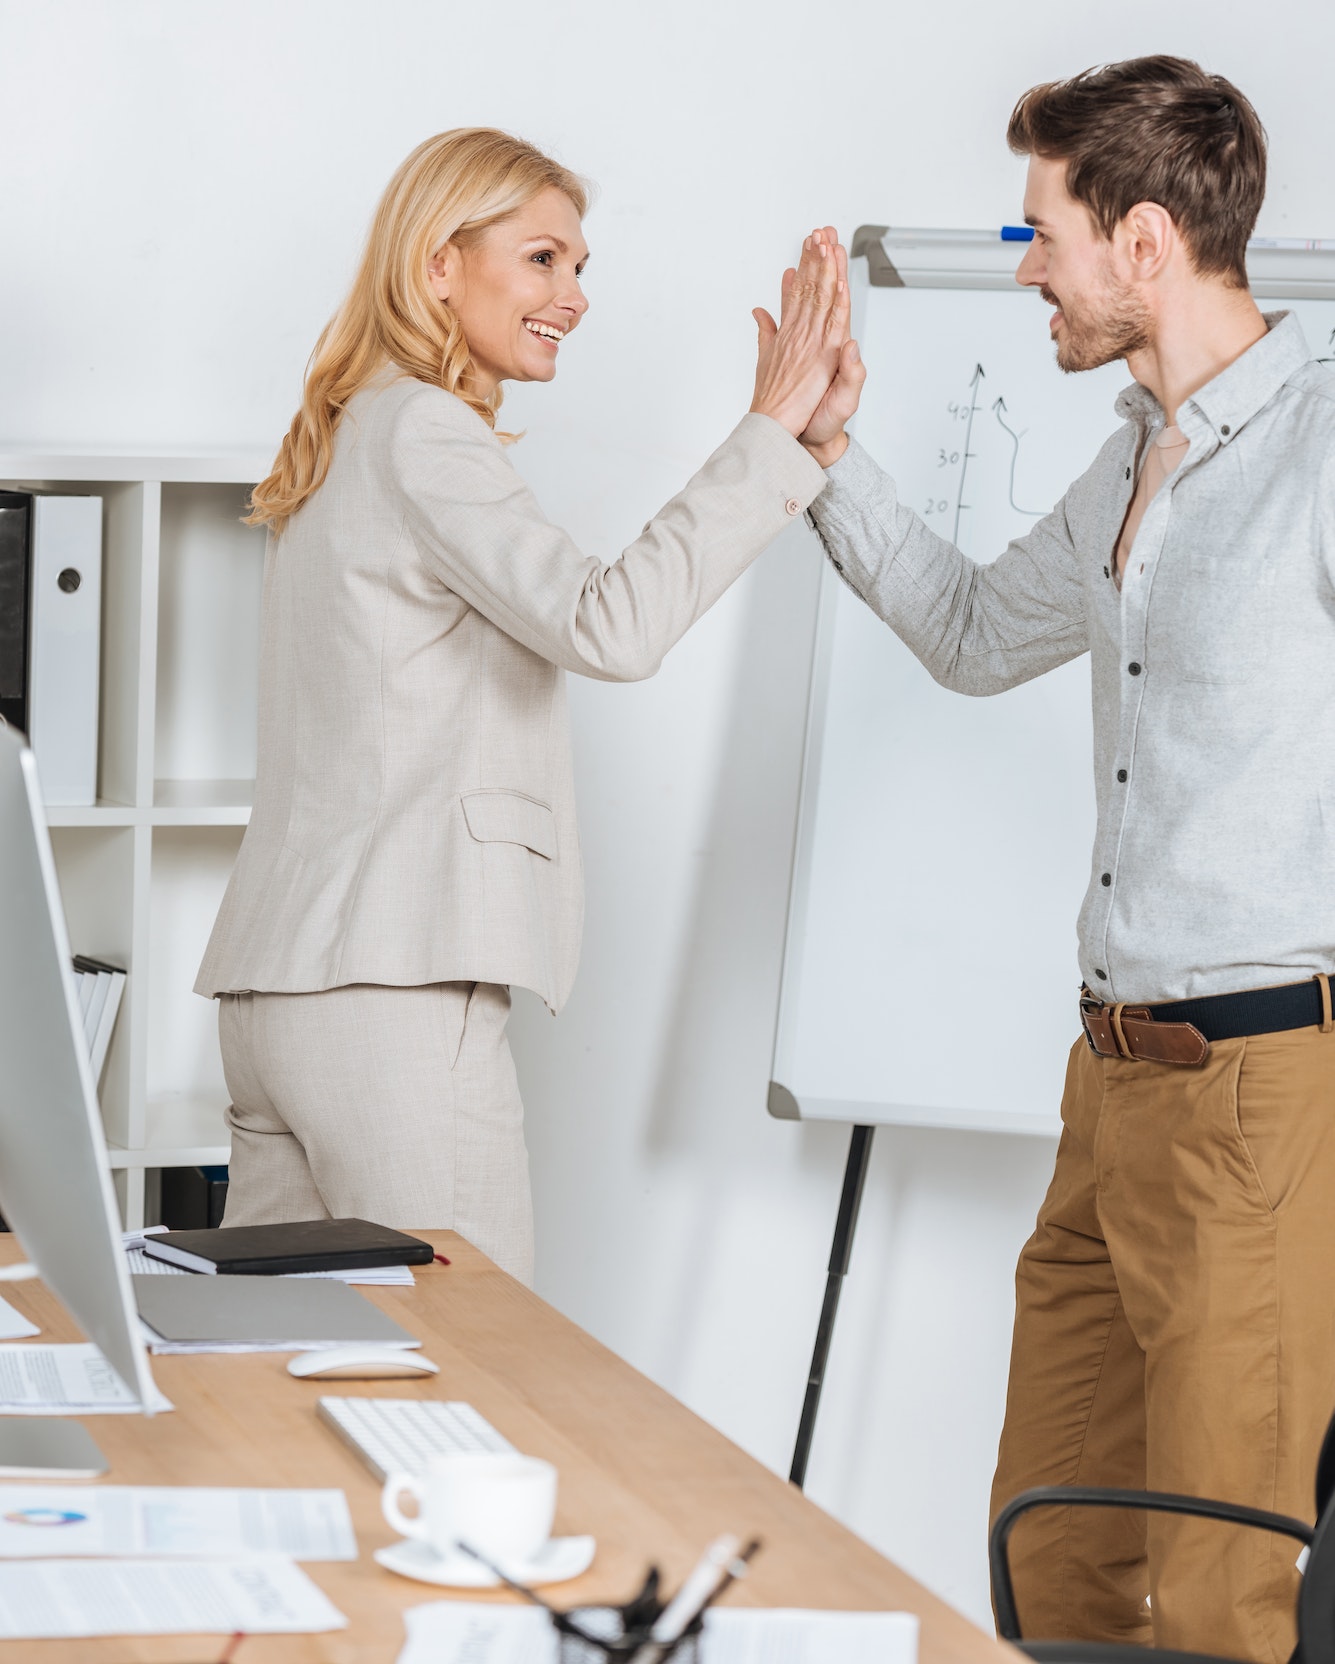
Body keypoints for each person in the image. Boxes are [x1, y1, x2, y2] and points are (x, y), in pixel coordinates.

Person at [799, 58, 1335, 1664]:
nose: (1024, 265)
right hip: (1105, 1086)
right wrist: (821, 455)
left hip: (1258, 1092)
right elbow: (970, 635)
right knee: (1058, 1554)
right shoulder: (1133, 455)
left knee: (1229, 1589)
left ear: (1144, 240)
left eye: (1041, 231)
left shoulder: (1318, 446)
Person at [195, 126, 860, 1285]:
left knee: (287, 1359)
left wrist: (789, 444)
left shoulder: (350, 433)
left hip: (276, 994)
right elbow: (610, 623)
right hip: (390, 994)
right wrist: (764, 441)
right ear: (439, 263)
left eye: (582, 267)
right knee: (478, 1364)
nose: (575, 296)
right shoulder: (427, 431)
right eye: (544, 258)